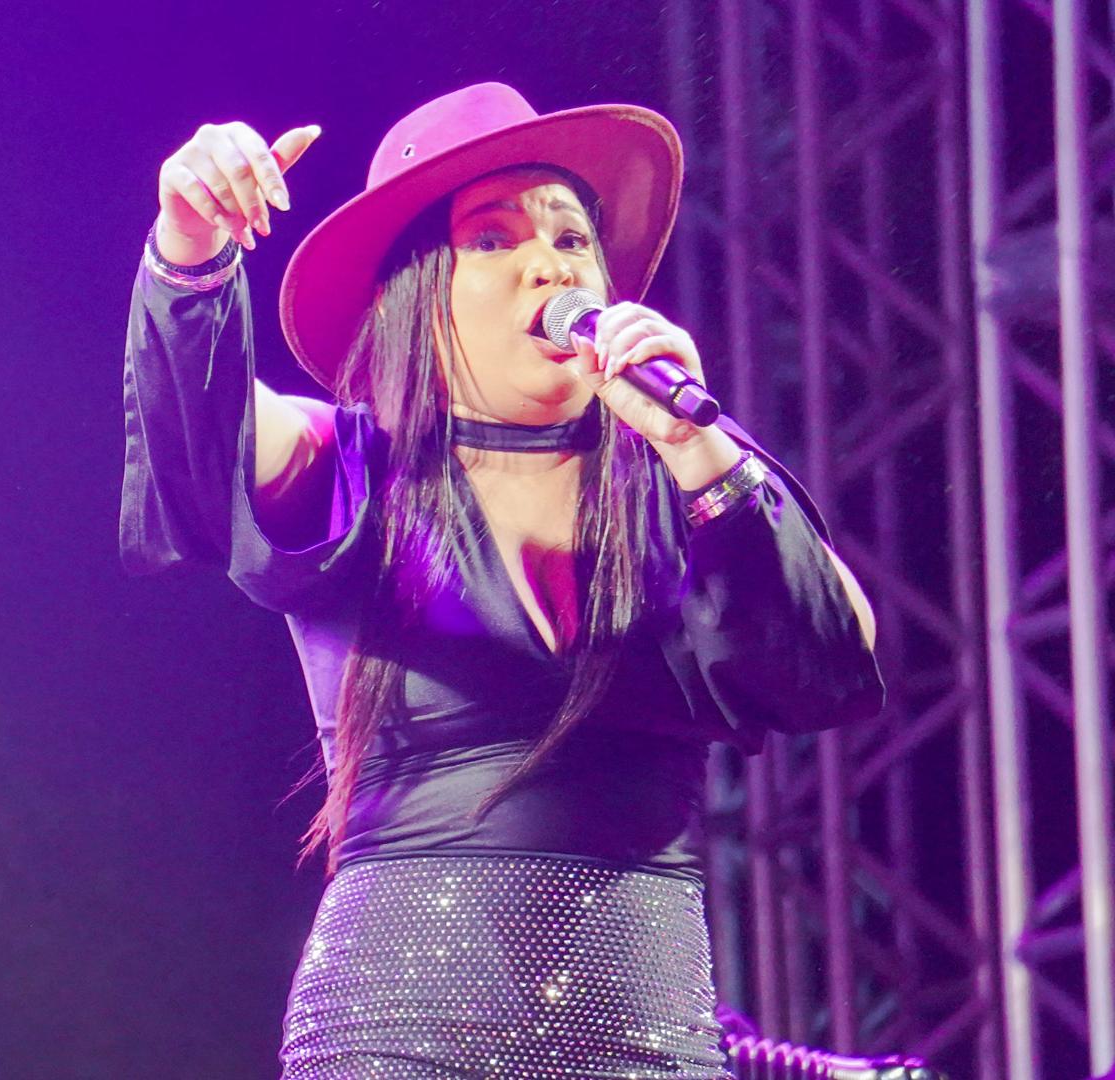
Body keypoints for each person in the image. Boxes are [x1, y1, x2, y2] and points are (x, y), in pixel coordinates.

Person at [121, 82, 883, 1076]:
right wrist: (190, 249)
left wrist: (702, 449)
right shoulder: (347, 464)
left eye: (572, 239)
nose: (549, 264)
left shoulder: (684, 487)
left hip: (646, 1027)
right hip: (400, 1030)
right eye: (491, 238)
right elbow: (197, 444)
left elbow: (830, 662)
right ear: (417, 295)